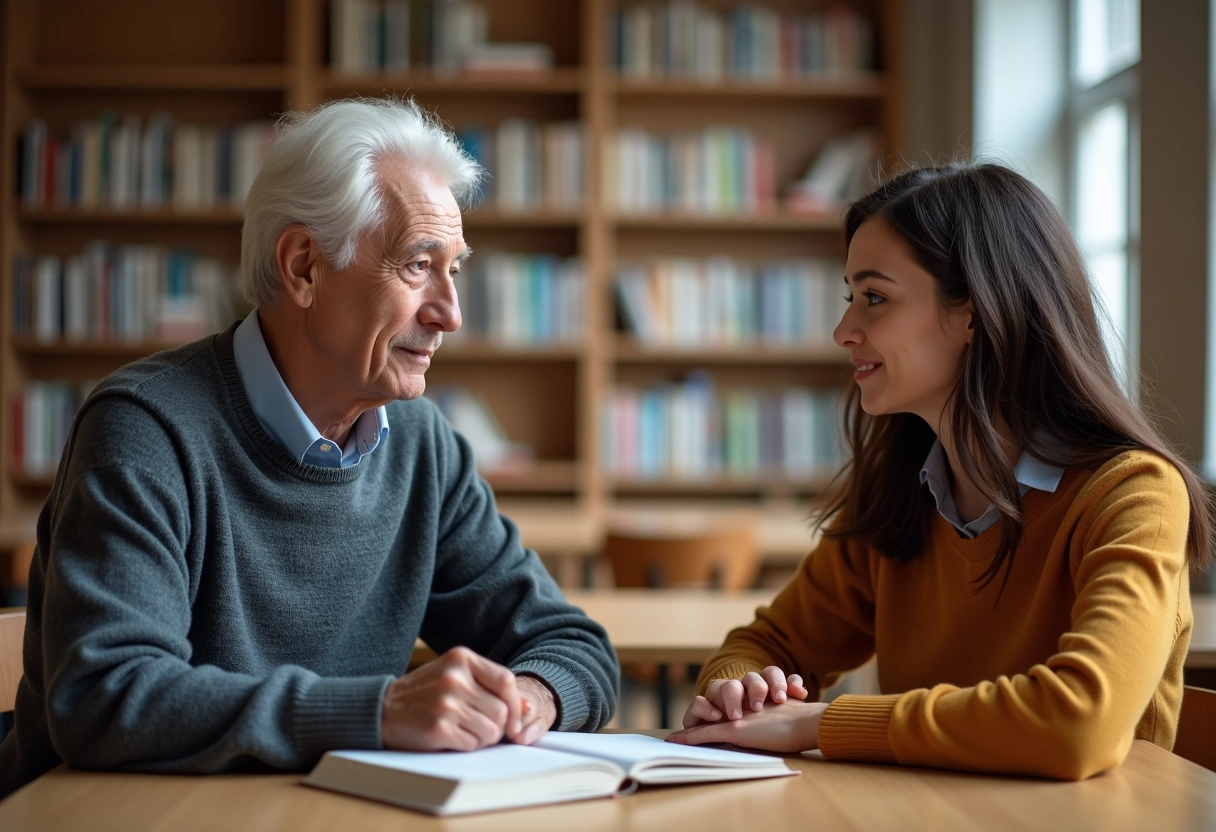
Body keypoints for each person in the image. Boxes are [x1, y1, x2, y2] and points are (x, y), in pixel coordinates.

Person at [0, 98, 619, 799]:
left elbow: (576, 648)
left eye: (457, 270)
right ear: (302, 267)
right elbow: (105, 696)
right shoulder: (145, 430)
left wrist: (526, 701)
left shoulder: (425, 449)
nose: (451, 313)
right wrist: (377, 712)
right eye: (419, 265)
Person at [666, 163, 1210, 781]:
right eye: (851, 298)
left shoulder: (1134, 494)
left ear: (975, 312)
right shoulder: (899, 496)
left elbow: (1078, 724)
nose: (844, 331)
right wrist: (742, 692)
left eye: (875, 298)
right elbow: (763, 645)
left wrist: (820, 723)